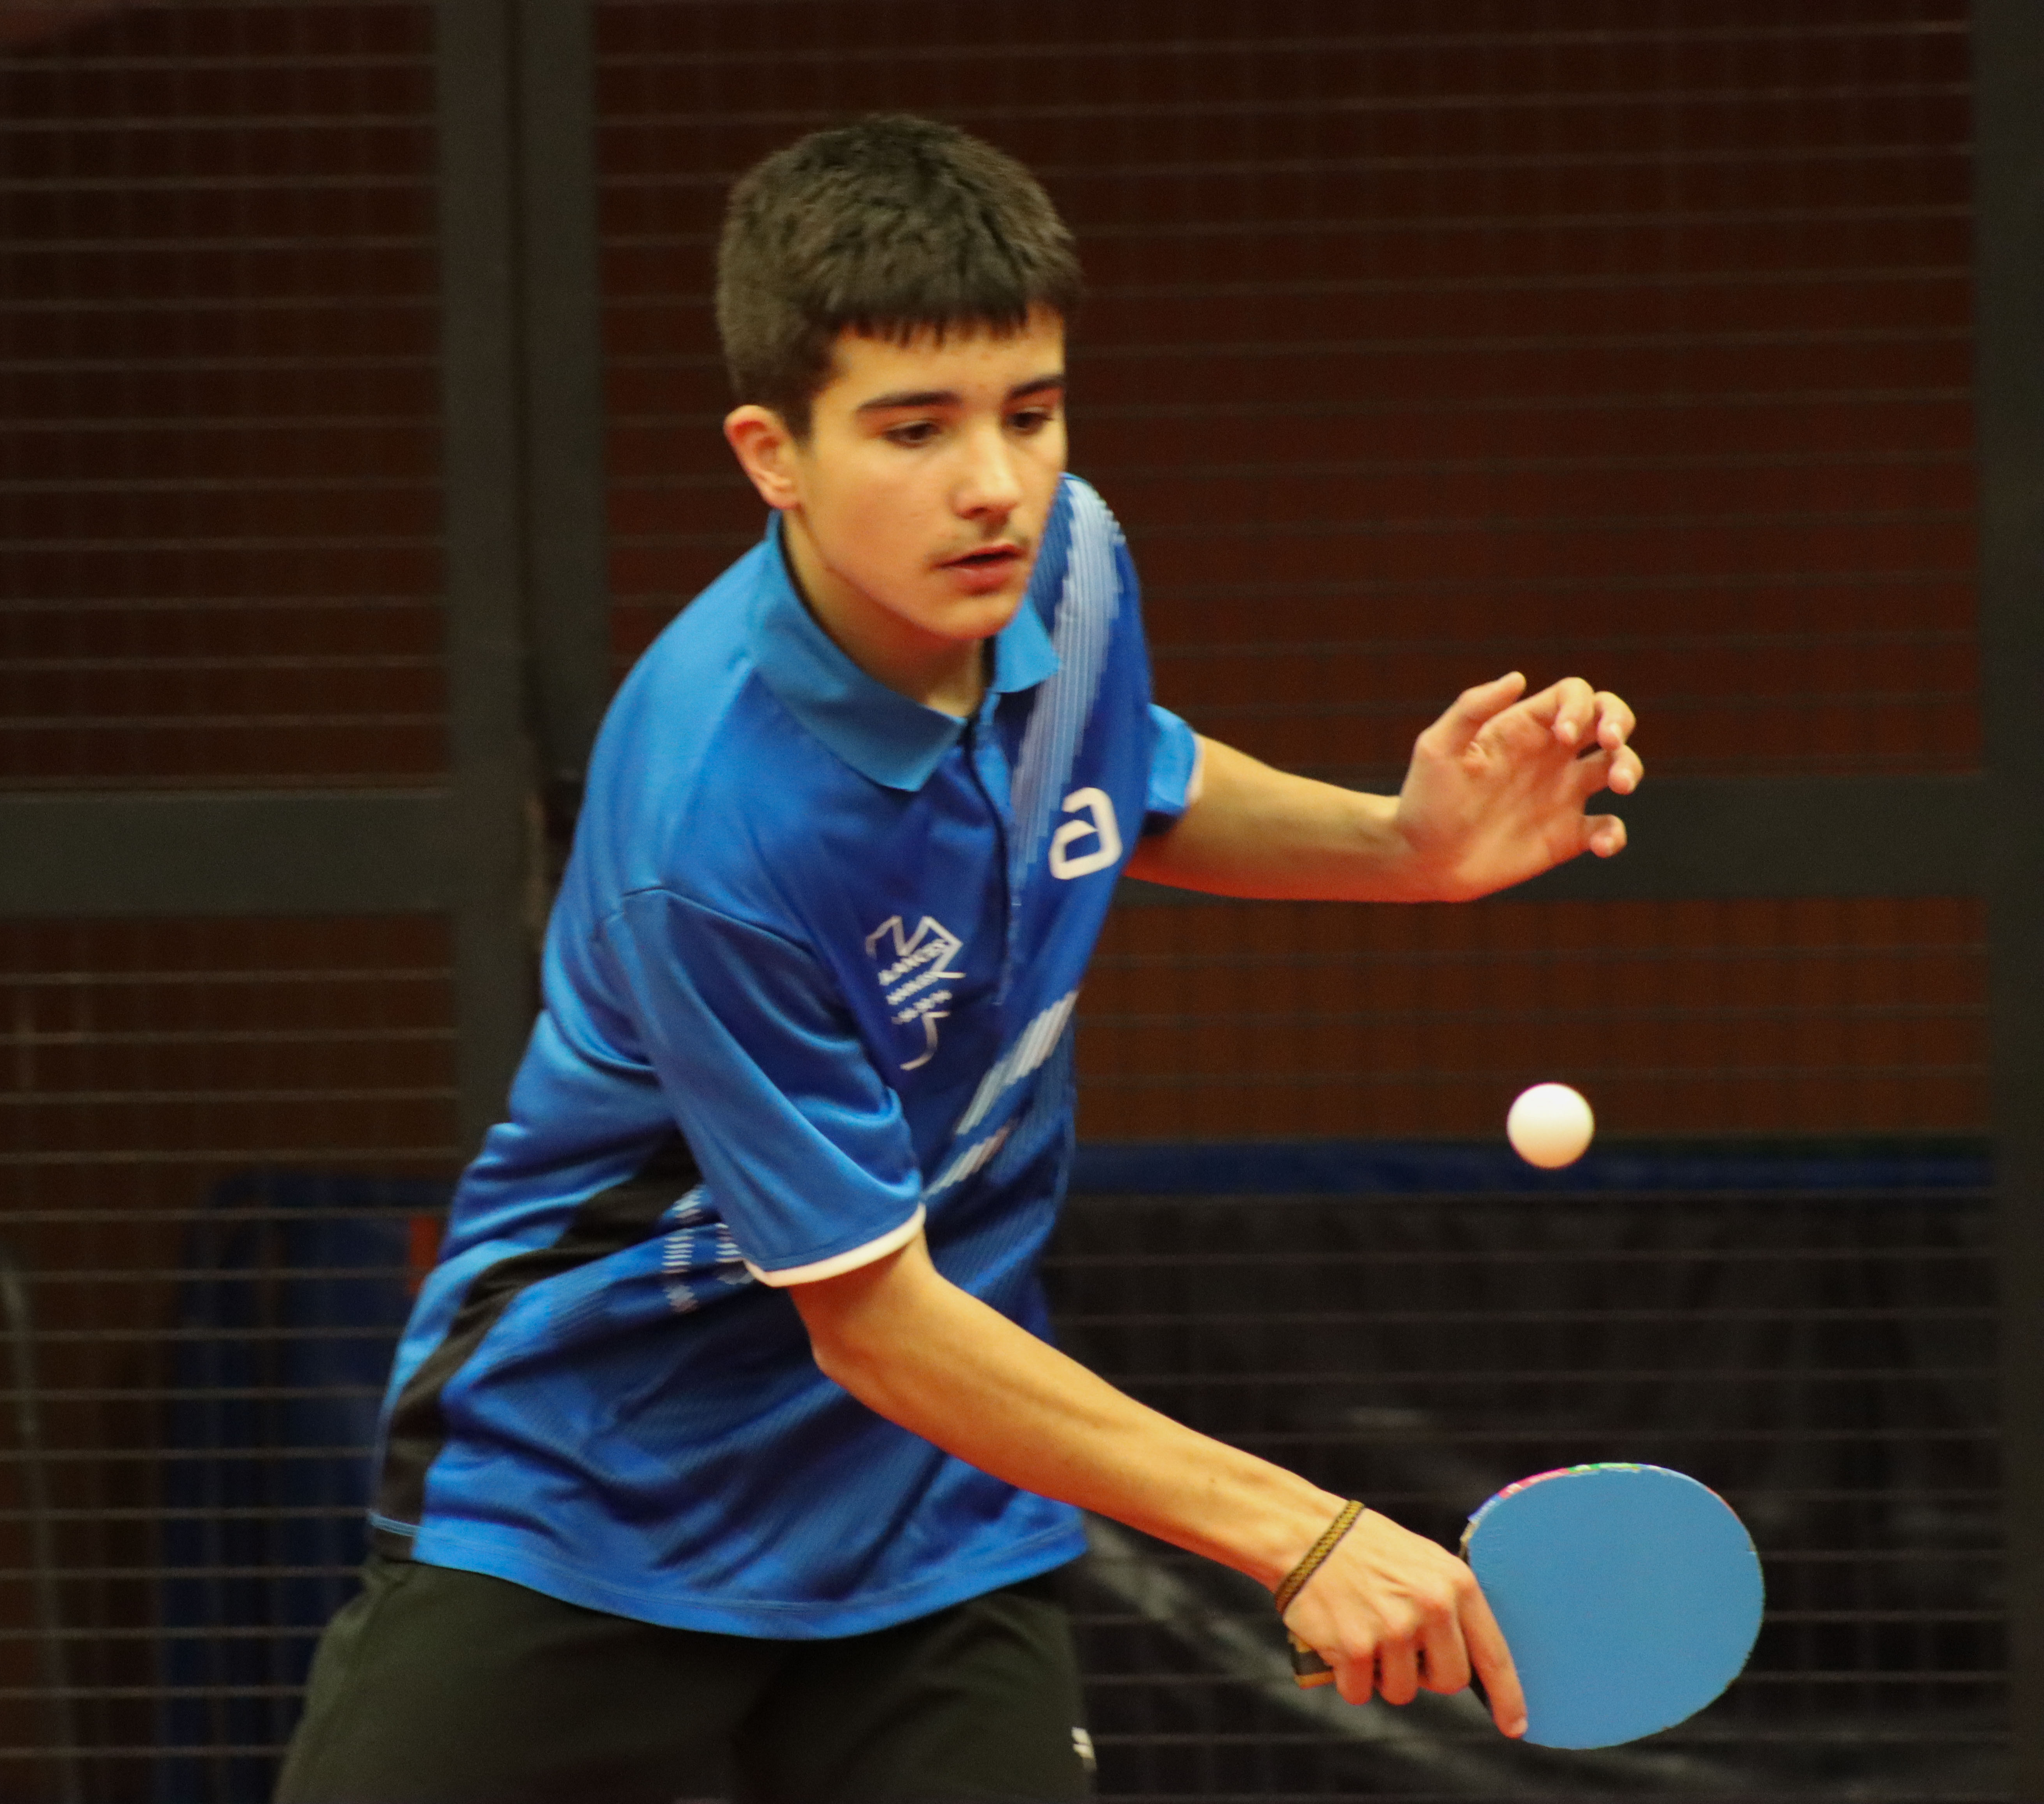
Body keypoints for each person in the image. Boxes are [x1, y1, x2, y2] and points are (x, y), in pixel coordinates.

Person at [276, 114, 1641, 1804]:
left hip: (927, 1504)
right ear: (772, 453)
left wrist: (1401, 849)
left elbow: (1120, 777)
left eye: (1031, 411)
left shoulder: (1069, 572)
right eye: (915, 428)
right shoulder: (718, 822)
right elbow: (869, 1319)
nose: (994, 483)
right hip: (594, 1492)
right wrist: (1302, 1530)